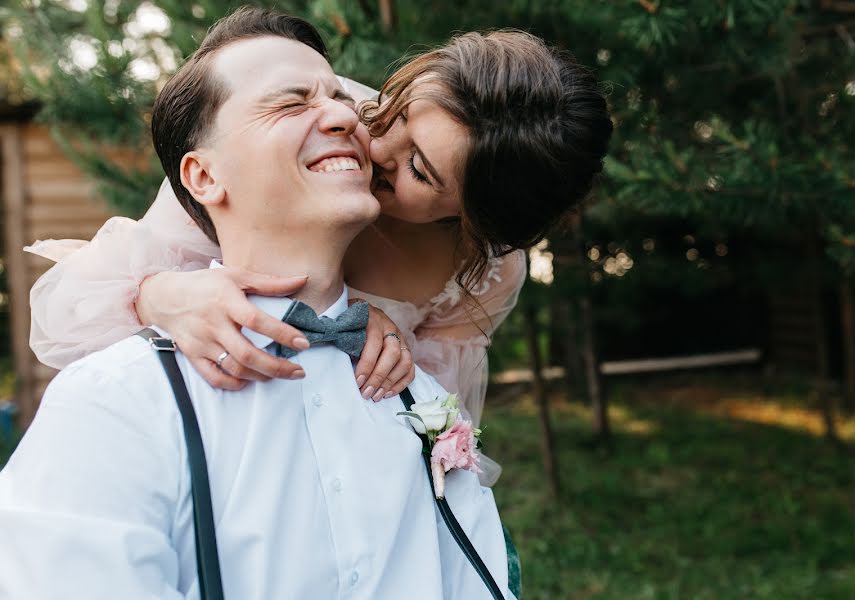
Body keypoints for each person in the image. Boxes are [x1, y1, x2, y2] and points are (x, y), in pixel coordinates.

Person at [0, 8, 511, 598]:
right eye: (292, 104)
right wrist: (157, 293)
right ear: (203, 177)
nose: (349, 116)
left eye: (343, 98)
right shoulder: (116, 404)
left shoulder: (424, 408)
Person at [27, 21, 613, 436]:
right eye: (398, 111)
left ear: (472, 218)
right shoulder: (302, 138)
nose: (374, 143)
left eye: (418, 170)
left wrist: (380, 346)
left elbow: (426, 422)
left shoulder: (482, 272)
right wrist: (159, 294)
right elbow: (75, 305)